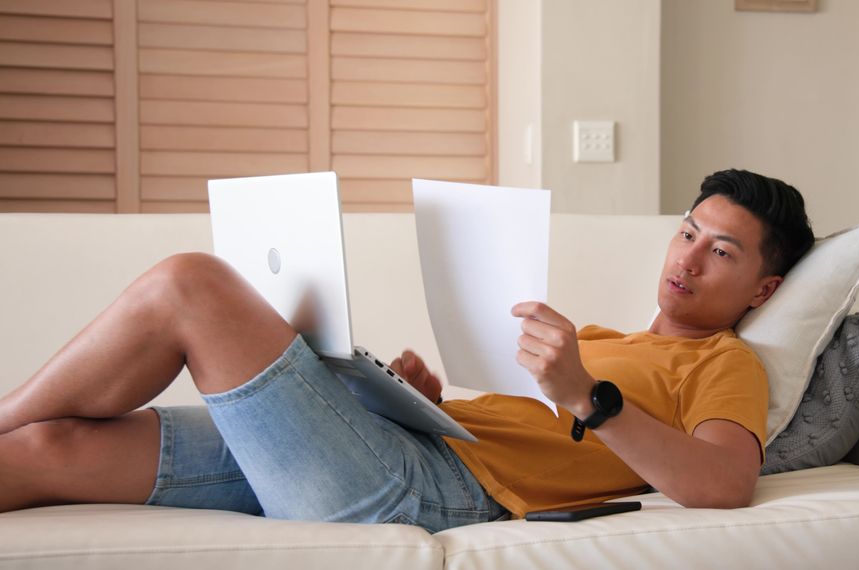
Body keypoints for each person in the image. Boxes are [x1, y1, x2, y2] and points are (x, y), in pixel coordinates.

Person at [0, 169, 814, 532]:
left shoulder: (724, 363)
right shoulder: (608, 337)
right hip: (405, 442)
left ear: (762, 290)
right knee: (47, 449)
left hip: (430, 491)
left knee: (191, 285)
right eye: (687, 232)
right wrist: (418, 396)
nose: (688, 258)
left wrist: (584, 395)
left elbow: (723, 482)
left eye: (723, 253)